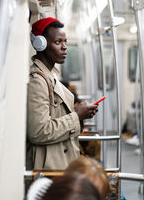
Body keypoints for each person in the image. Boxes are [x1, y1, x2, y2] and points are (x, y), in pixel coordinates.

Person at [26, 17, 98, 171]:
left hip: (60, 159)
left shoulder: (51, 75)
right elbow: (38, 132)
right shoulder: (37, 82)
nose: (65, 47)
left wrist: (80, 112)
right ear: (41, 44)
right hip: (48, 166)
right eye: (58, 42)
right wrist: (77, 116)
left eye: (65, 42)